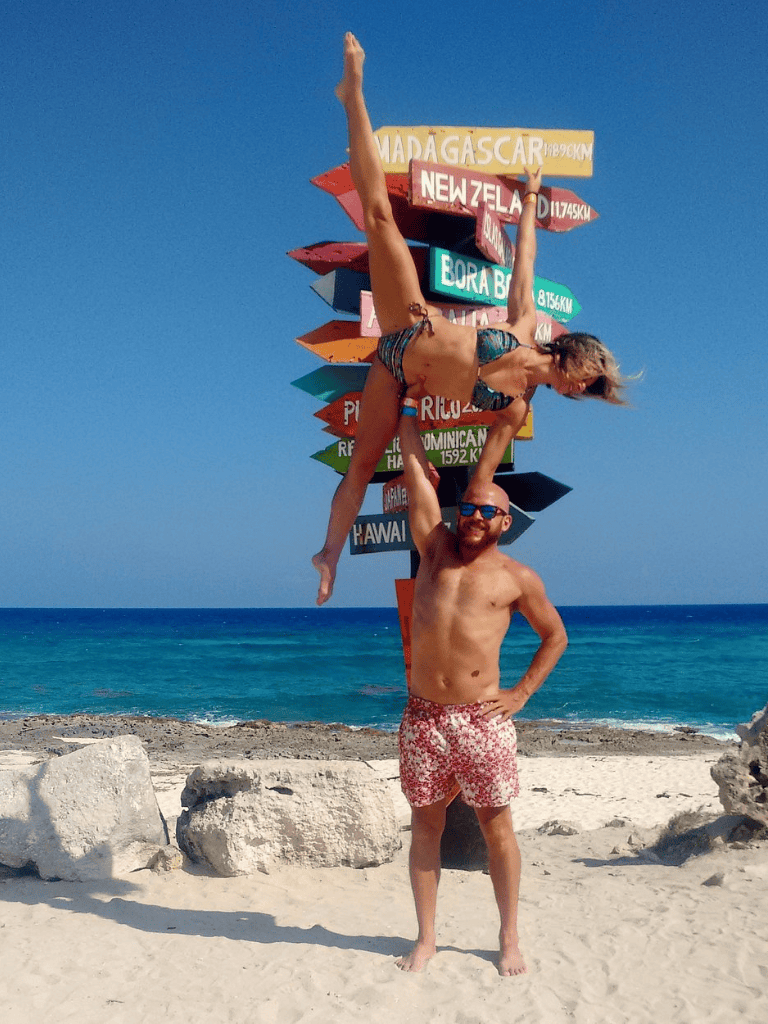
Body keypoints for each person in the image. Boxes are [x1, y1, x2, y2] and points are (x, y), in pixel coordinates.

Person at [313, 32, 628, 605]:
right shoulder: (526, 325)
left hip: (397, 374)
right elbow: (524, 264)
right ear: (575, 354)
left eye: (590, 390)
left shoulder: (512, 412)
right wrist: (529, 203)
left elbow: (482, 482)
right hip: (410, 321)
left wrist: (479, 522)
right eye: (590, 376)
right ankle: (353, 94)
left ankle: (327, 557)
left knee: (359, 466)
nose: (584, 389)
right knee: (380, 215)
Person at [393, 386, 568, 976]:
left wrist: (519, 694)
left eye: (486, 511)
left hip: (479, 720)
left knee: (497, 827)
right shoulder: (434, 547)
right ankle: (426, 939)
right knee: (425, 824)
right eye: (466, 508)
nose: (472, 517)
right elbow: (416, 471)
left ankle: (510, 938)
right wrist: (409, 409)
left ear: (506, 520)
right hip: (422, 716)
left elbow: (556, 638)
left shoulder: (518, 577)